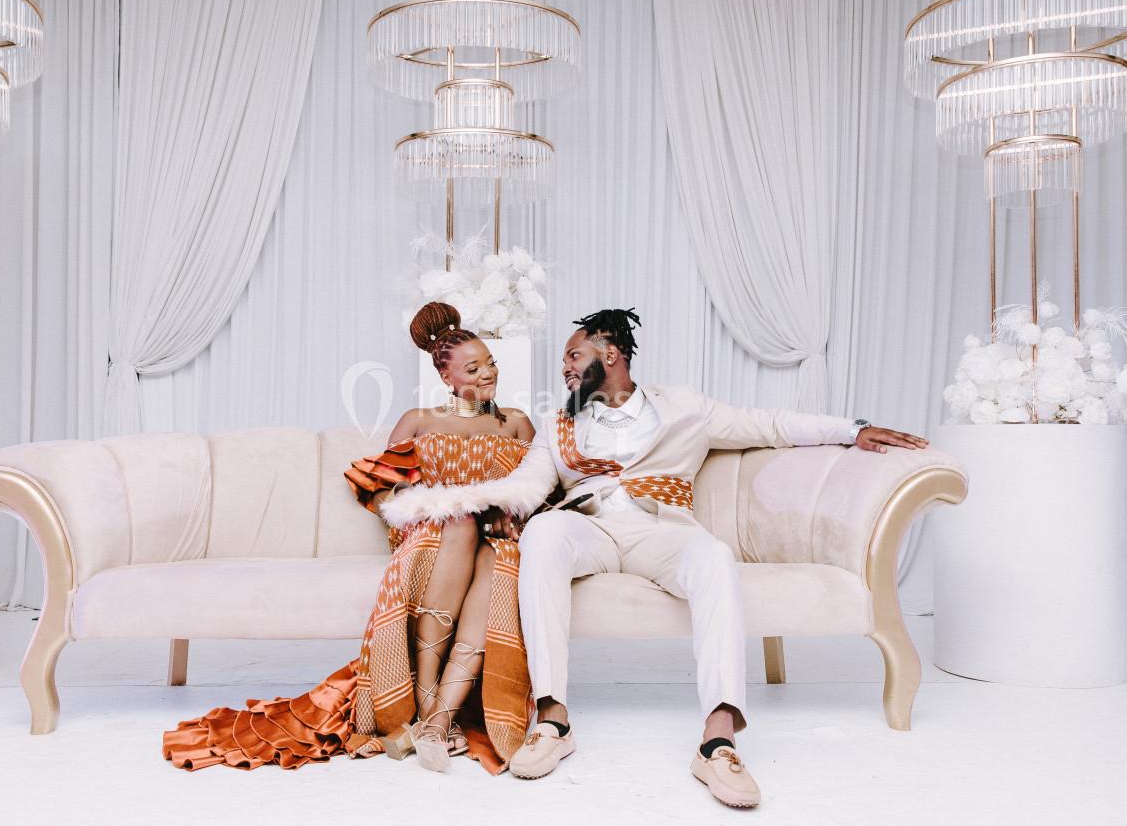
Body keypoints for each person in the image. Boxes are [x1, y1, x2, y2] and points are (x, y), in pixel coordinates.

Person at [383, 307, 927, 807]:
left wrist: (853, 430)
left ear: (610, 354)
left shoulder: (686, 407)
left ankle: (718, 739)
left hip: (660, 529)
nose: (565, 369)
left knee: (714, 556)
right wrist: (487, 507)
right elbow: (528, 481)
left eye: (574, 356)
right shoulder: (560, 424)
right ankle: (552, 721)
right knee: (544, 534)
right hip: (588, 527)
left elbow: (772, 424)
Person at [162, 302, 554, 774]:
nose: (487, 373)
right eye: (473, 368)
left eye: (490, 361)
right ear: (446, 378)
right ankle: (428, 703)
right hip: (435, 535)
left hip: (496, 537)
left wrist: (507, 510)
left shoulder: (514, 421)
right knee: (459, 523)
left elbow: (539, 486)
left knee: (501, 561)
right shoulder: (418, 419)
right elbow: (388, 492)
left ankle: (439, 719)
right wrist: (443, 505)